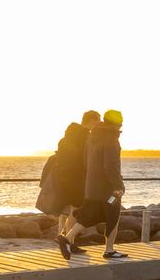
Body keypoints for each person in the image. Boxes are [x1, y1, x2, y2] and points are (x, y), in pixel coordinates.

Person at [58, 109, 125, 260]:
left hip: (92, 188)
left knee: (90, 215)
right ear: (117, 123)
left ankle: (68, 238)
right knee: (113, 215)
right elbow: (111, 166)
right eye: (120, 121)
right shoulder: (111, 139)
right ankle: (109, 250)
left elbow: (85, 161)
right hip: (109, 191)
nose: (121, 124)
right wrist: (118, 186)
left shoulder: (92, 137)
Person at [38, 111, 100, 254]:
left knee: (72, 211)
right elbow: (85, 160)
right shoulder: (85, 137)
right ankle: (68, 242)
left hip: (65, 179)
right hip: (77, 179)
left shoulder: (65, 138)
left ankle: (67, 241)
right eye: (97, 122)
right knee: (76, 212)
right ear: (91, 121)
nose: (98, 125)